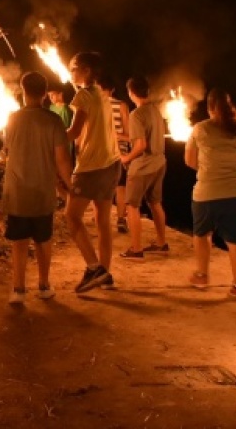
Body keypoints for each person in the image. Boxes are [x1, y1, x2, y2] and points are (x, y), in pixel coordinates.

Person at [0, 72, 73, 303]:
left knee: (19, 243)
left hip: (18, 190)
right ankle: (44, 285)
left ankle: (18, 290)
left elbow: (6, 151)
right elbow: (61, 160)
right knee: (43, 240)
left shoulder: (12, 119)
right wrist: (70, 186)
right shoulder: (53, 120)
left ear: (23, 91)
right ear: (44, 93)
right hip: (42, 191)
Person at [183, 88, 236, 299]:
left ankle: (202, 275)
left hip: (208, 192)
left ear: (210, 108)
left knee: (202, 234)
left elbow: (189, 161)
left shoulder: (200, 129)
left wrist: (210, 169)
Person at [63, 51, 120, 293]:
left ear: (86, 71)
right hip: (112, 163)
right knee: (103, 221)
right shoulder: (102, 95)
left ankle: (94, 267)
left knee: (71, 216)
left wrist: (47, 137)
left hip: (92, 166)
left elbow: (73, 132)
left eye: (74, 67)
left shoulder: (84, 96)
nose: (70, 72)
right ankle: (104, 275)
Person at [119, 76, 170, 259]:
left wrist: (126, 158)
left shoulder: (136, 114)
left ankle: (136, 248)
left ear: (131, 93)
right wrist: (120, 137)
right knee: (155, 203)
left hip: (143, 167)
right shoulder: (156, 111)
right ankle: (161, 243)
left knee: (132, 206)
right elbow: (147, 138)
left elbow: (140, 145)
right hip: (159, 163)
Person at [97, 73, 132, 233]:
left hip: (100, 153)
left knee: (101, 187)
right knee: (120, 187)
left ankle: (102, 219)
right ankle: (120, 219)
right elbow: (129, 135)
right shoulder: (122, 106)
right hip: (120, 154)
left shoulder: (93, 106)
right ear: (112, 89)